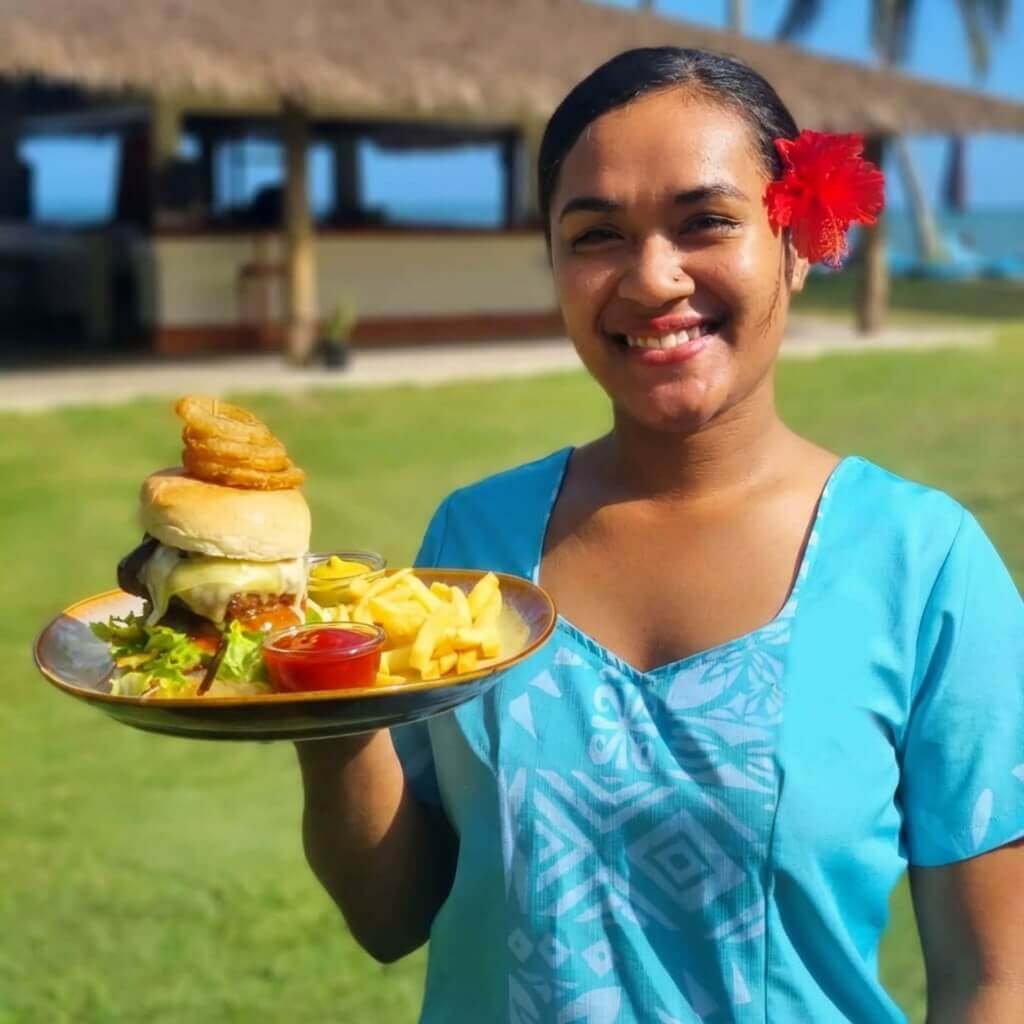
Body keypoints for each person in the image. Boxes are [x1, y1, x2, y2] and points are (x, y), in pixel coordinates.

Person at [295, 48, 1024, 1023]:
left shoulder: (923, 565)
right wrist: (316, 696)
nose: (651, 278)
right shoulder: (477, 542)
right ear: (554, 264)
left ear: (800, 240)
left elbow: (993, 980)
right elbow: (393, 914)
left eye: (706, 222)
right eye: (596, 235)